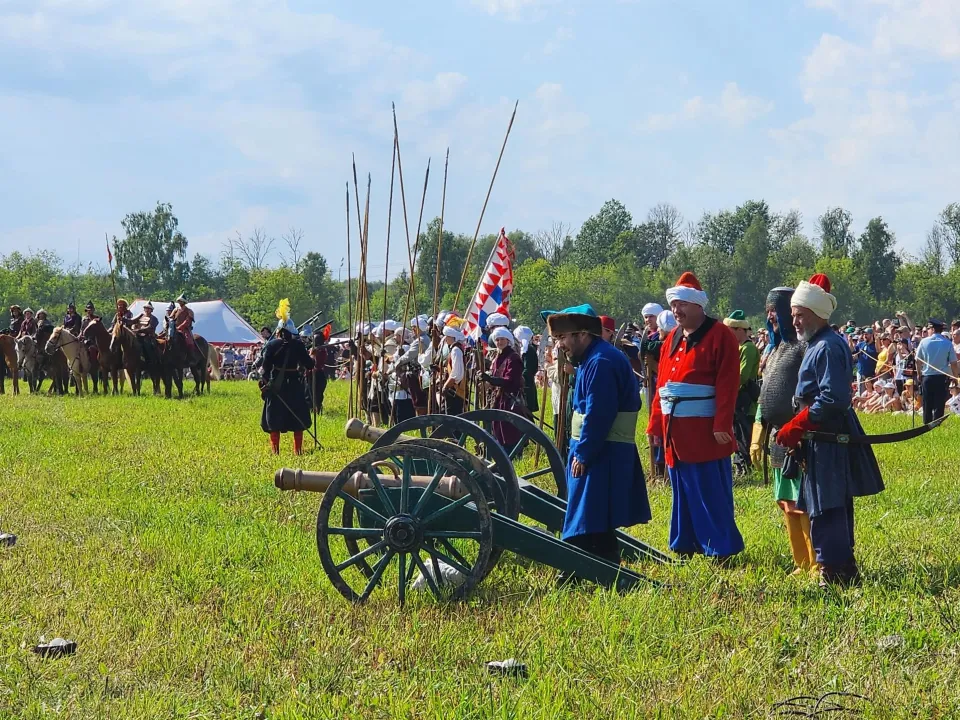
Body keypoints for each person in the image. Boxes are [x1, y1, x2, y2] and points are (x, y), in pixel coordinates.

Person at [776, 273, 884, 587]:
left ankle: (835, 570)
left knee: (827, 503)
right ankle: (838, 567)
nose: (795, 321)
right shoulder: (817, 343)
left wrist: (798, 424)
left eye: (801, 315)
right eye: (794, 315)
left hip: (827, 436)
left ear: (818, 315)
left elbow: (833, 398)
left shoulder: (827, 346)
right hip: (818, 435)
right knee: (822, 501)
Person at [647, 272, 744, 560]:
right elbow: (661, 384)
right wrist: (655, 424)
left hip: (704, 430)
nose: (677, 310)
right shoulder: (671, 339)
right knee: (682, 489)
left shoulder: (720, 335)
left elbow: (728, 382)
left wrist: (722, 423)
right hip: (674, 429)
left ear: (698, 306)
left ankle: (719, 548)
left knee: (709, 491)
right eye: (674, 305)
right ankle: (685, 543)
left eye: (683, 305)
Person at [547, 304, 650, 562]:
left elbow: (599, 413)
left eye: (562, 338)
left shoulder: (601, 362)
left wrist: (583, 453)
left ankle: (576, 566)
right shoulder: (592, 359)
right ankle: (601, 561)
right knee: (594, 516)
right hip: (598, 447)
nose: (559, 345)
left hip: (602, 449)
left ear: (582, 334)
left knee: (588, 514)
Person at [750, 286, 814, 574]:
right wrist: (757, 436)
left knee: (804, 503)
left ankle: (816, 563)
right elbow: (766, 396)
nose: (771, 317)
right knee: (786, 502)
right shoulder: (774, 351)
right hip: (777, 439)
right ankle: (800, 562)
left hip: (798, 439)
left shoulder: (804, 349)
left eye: (776, 310)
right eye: (768, 311)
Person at [261, 306, 315, 455]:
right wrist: (312, 355)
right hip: (294, 386)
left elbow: (265, 368)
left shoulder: (271, 345)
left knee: (274, 419)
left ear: (278, 331)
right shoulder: (298, 345)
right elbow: (309, 365)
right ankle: (298, 451)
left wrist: (265, 385)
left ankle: (275, 451)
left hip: (276, 386)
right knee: (298, 420)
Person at [724, 310, 759, 477]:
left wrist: (726, 389)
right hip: (736, 398)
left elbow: (742, 376)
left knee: (744, 435)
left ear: (739, 329)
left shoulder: (748, 349)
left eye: (731, 330)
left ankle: (746, 467)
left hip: (744, 399)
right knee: (736, 434)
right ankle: (739, 464)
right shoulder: (738, 347)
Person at [915, 318, 959, 423]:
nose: (928, 330)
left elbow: (917, 360)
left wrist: (919, 373)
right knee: (939, 403)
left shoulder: (924, 342)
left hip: (927, 377)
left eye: (929, 328)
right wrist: (955, 377)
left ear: (933, 329)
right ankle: (937, 423)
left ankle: (926, 424)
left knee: (927, 402)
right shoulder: (947, 343)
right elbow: (953, 363)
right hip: (941, 377)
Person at [440, 325, 467, 415]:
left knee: (454, 416)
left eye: (447, 336)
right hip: (453, 387)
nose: (445, 339)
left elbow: (456, 373)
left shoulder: (456, 350)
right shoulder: (455, 349)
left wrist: (446, 386)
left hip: (455, 389)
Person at [513, 325, 539, 415]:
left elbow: (527, 370)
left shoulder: (528, 350)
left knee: (526, 415)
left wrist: (517, 378)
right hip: (523, 385)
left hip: (526, 385)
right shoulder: (524, 349)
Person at [130, 301, 161, 367]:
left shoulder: (154, 319)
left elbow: (149, 327)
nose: (147, 310)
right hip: (138, 336)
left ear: (151, 310)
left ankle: (150, 362)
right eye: (146, 308)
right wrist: (124, 319)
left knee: (147, 345)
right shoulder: (141, 316)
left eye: (148, 308)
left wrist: (138, 330)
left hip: (148, 337)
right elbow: (133, 321)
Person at [853, 327, 878, 394]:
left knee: (872, 391)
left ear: (871, 335)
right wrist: (850, 341)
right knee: (861, 392)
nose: (865, 336)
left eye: (866, 334)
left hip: (872, 373)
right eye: (864, 334)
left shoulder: (875, 345)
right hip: (861, 372)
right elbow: (853, 351)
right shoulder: (861, 344)